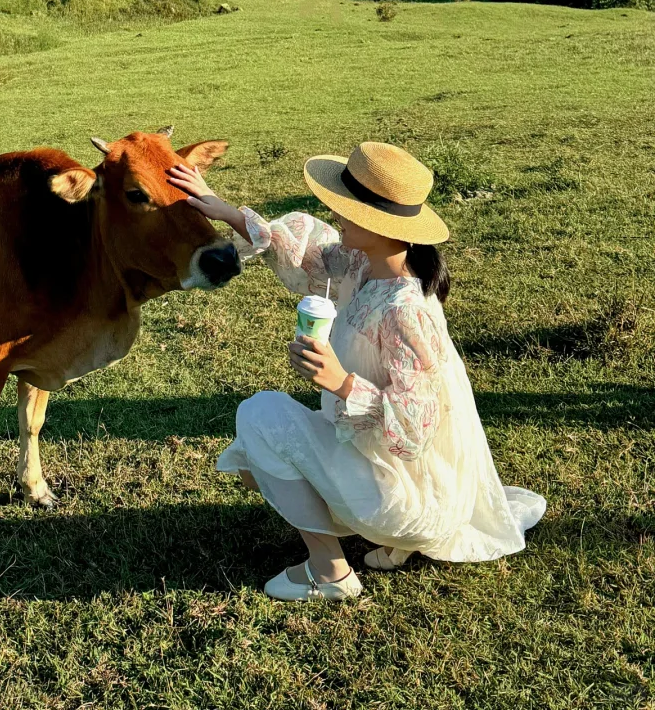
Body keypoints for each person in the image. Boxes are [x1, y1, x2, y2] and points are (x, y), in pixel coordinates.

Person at [167, 141, 545, 602]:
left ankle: (331, 574)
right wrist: (228, 212)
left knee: (260, 414)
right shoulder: (363, 265)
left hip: (407, 494)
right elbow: (309, 254)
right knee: (252, 461)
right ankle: (388, 541)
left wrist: (340, 382)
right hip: (382, 470)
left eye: (343, 209)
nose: (334, 215)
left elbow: (416, 426)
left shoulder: (405, 310)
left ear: (375, 223)